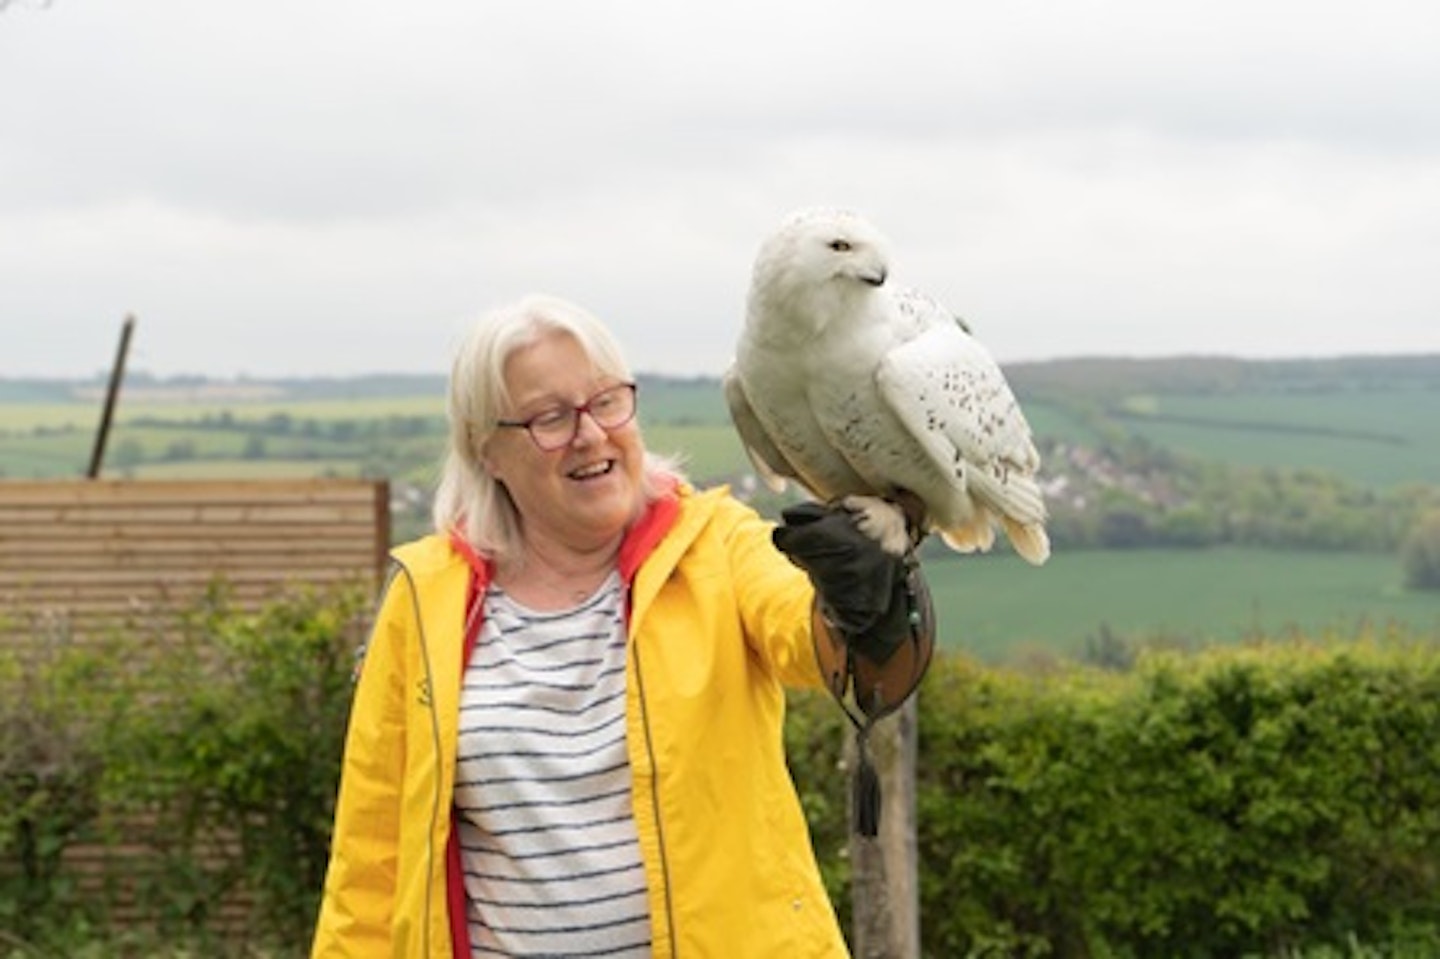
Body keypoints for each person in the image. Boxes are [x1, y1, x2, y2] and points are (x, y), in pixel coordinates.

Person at [310, 293, 933, 958]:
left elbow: (815, 640)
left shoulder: (716, 545)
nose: (590, 433)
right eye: (550, 416)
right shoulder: (424, 598)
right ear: (486, 449)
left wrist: (870, 602)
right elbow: (369, 861)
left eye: (606, 400)